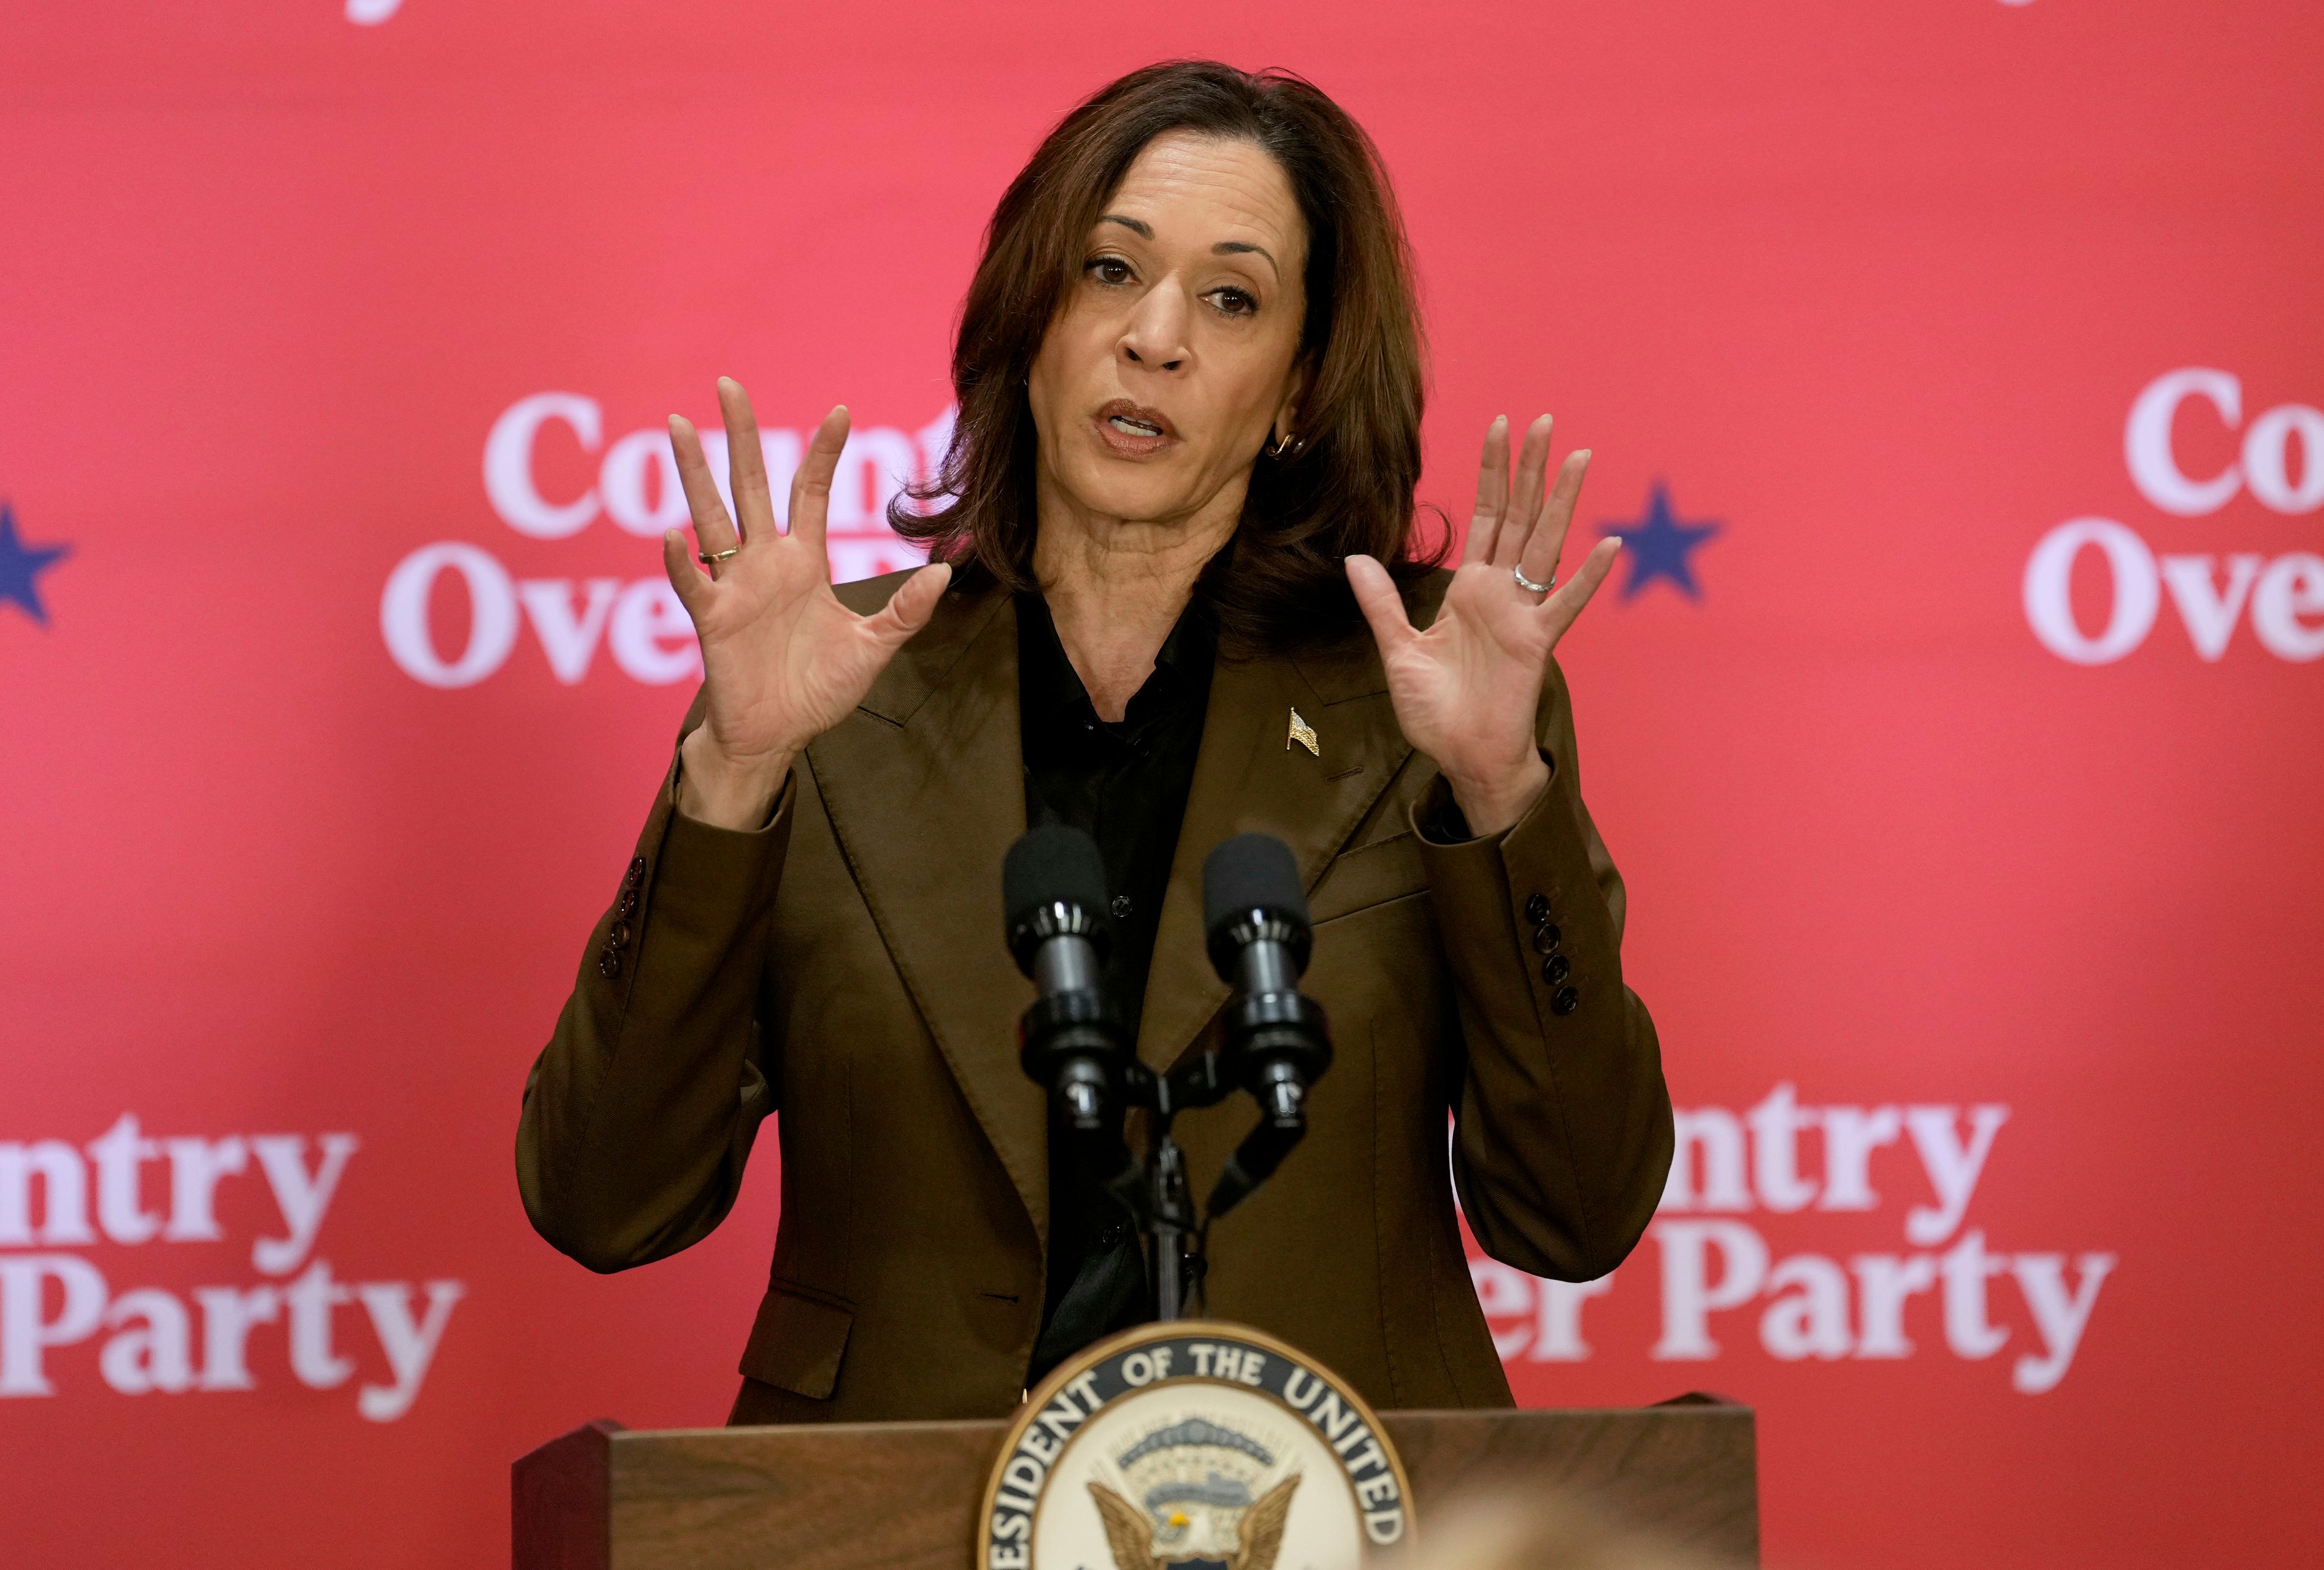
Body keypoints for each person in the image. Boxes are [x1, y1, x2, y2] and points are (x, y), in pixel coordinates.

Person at [516, 59, 1672, 1426]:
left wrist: (1498, 793)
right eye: (1111, 272)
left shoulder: (1423, 687)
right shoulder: (834, 688)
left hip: (1330, 1501)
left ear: (1299, 386)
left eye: (1232, 297)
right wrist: (735, 773)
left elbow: (1579, 1212)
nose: (1157, 337)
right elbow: (600, 1195)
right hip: (890, 1503)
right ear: (1031, 321)